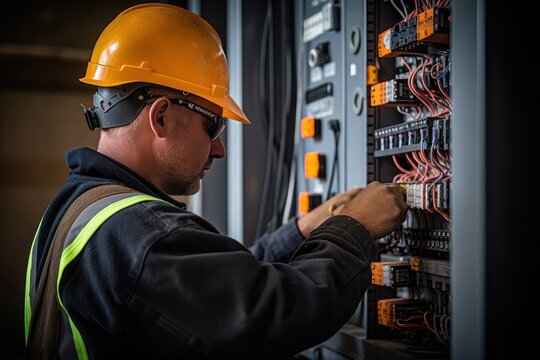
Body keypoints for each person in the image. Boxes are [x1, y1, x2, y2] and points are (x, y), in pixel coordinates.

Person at [24, 3, 408, 359]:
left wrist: (304, 229)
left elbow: (215, 291)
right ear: (161, 117)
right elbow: (266, 315)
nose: (219, 149)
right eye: (214, 125)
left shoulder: (80, 209)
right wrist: (354, 228)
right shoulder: (139, 234)